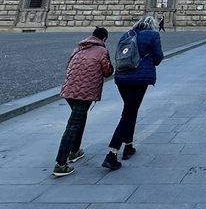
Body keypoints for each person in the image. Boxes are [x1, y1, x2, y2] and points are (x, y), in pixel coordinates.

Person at [103, 16, 164, 170]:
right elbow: (158, 58)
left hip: (121, 78)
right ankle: (112, 153)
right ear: (152, 25)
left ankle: (128, 146)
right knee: (128, 113)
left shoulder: (127, 34)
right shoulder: (153, 35)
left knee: (130, 110)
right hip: (139, 78)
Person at [53, 27, 113, 177]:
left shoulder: (77, 48)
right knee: (73, 124)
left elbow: (69, 67)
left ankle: (75, 151)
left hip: (69, 90)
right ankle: (60, 164)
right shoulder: (101, 51)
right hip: (84, 92)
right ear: (104, 39)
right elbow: (107, 72)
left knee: (79, 118)